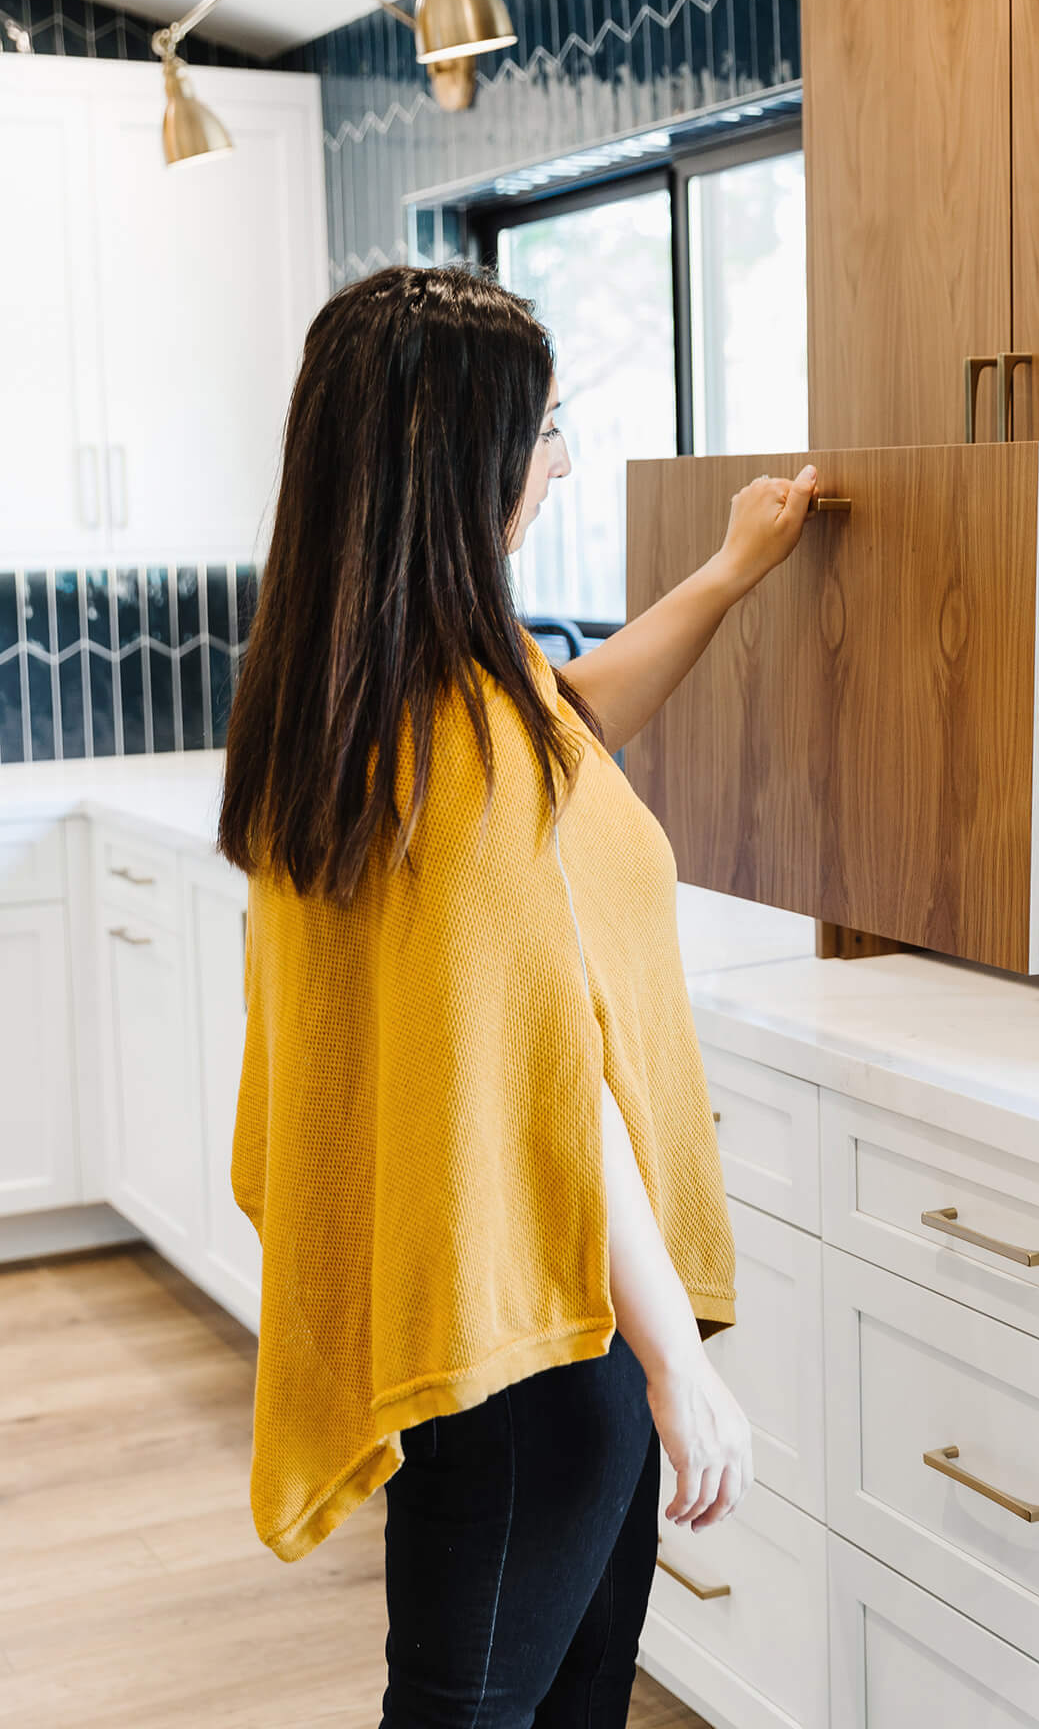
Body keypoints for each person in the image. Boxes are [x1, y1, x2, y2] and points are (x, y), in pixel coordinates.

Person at [217, 265, 820, 1726]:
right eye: (546, 433)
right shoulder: (457, 758)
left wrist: (731, 571)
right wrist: (677, 1370)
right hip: (546, 1347)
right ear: (469, 464)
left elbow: (581, 713)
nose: (560, 463)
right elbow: (556, 1080)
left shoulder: (360, 696)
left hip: (470, 1293)